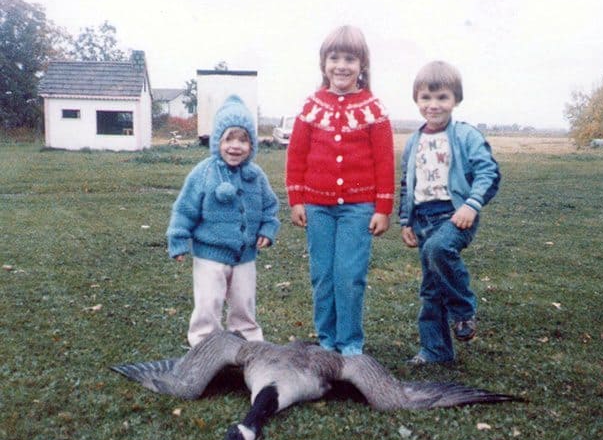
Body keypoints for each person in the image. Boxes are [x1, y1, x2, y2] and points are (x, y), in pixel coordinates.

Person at [285, 25, 395, 356]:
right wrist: (296, 199)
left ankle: (349, 345)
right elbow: (296, 155)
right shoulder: (311, 106)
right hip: (317, 206)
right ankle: (326, 341)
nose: (342, 66)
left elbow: (384, 160)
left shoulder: (373, 108)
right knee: (323, 275)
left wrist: (382, 207)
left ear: (363, 65)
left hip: (358, 208)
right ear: (324, 63)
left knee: (349, 276)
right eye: (334, 58)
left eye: (350, 58)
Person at [399, 61, 500, 365]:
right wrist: (406, 220)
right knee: (431, 288)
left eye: (442, 97)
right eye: (425, 98)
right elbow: (407, 183)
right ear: (416, 100)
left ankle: (463, 310)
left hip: (455, 215)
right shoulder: (413, 142)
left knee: (439, 248)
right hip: (423, 219)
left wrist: (472, 204)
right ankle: (436, 350)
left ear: (456, 99)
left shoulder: (466, 135)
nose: (433, 105)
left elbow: (489, 172)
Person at [167, 95, 280, 347]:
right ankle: (204, 345)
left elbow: (270, 206)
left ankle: (250, 344)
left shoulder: (256, 176)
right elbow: (184, 209)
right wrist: (178, 239)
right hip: (209, 256)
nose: (235, 146)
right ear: (217, 141)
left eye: (243, 140)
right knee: (208, 303)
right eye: (228, 138)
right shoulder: (203, 173)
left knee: (244, 303)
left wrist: (268, 228)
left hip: (245, 257)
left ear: (252, 145)